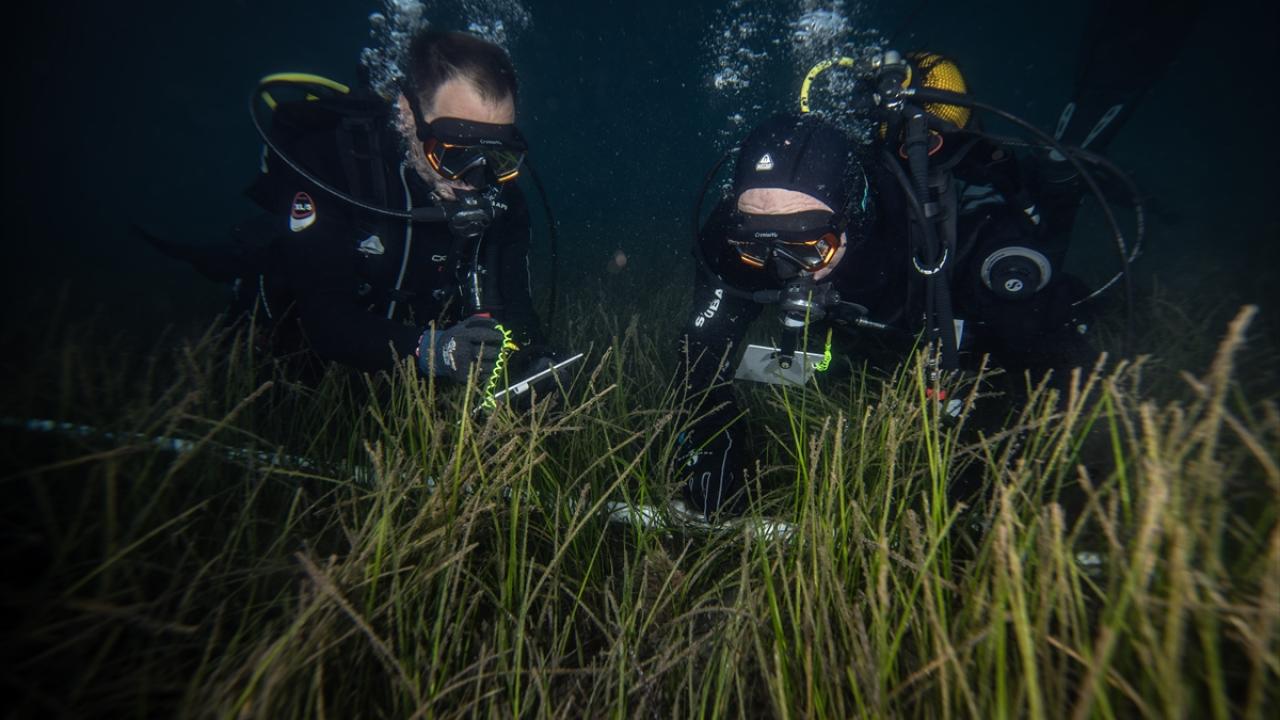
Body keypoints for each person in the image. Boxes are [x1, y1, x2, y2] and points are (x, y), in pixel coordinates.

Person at [673, 27, 1189, 517]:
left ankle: (1084, 132)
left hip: (961, 312)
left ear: (855, 218)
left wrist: (1010, 477)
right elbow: (700, 347)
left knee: (1034, 295)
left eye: (808, 247)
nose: (782, 270)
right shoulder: (736, 239)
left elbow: (1063, 370)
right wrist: (710, 435)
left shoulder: (952, 235)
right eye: (758, 246)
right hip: (870, 331)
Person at [181, 29, 555, 385]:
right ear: (409, 113)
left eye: (498, 155)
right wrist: (433, 351)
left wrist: (532, 361)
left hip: (405, 374)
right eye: (455, 153)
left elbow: (515, 305)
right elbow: (325, 320)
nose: (476, 178)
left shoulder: (502, 196)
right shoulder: (332, 163)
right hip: (287, 359)